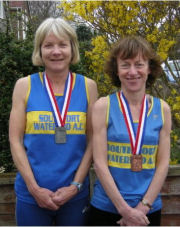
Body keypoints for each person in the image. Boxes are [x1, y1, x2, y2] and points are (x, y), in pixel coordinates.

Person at [9, 17, 98, 226]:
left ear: (72, 48)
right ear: (39, 50)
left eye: (62, 45)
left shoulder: (88, 87)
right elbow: (15, 140)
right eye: (48, 45)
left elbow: (93, 141)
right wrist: (34, 189)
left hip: (74, 196)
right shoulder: (24, 86)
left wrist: (75, 186)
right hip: (32, 195)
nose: (56, 51)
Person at [88, 36, 171, 226]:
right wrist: (124, 210)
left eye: (139, 64)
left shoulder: (163, 109)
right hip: (107, 207)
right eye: (125, 65)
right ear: (116, 71)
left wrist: (143, 207)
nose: (132, 72)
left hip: (148, 209)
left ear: (149, 68)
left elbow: (163, 163)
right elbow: (99, 162)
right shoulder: (103, 106)